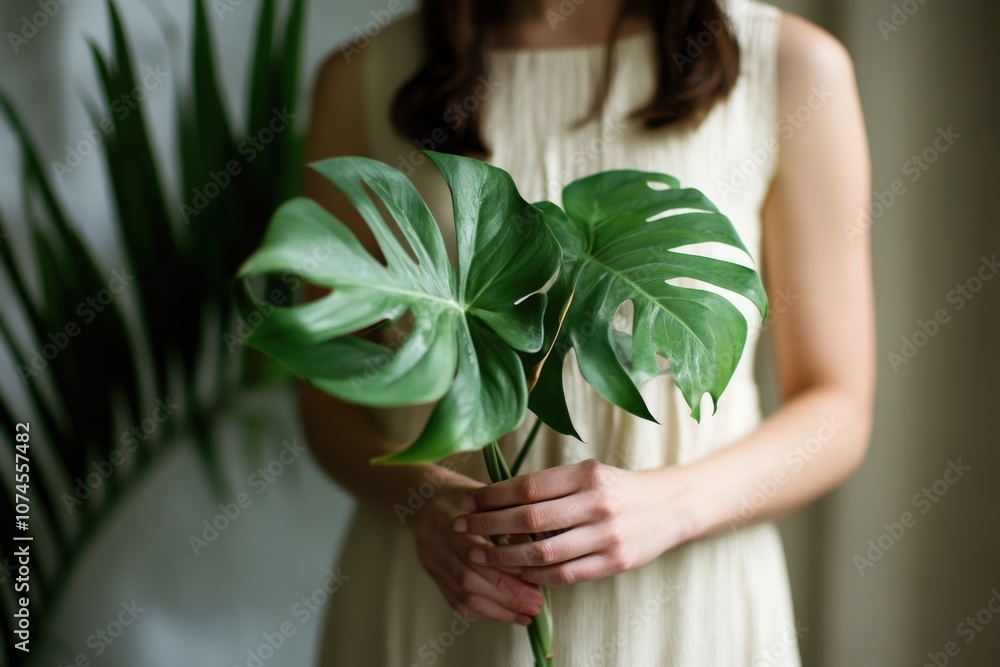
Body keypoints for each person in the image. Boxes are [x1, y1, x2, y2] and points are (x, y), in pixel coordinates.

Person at [301, 0, 873, 664]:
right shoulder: (364, 76)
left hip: (685, 608)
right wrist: (423, 498)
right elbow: (327, 398)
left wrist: (673, 505)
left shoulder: (793, 68)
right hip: (439, 597)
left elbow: (837, 404)